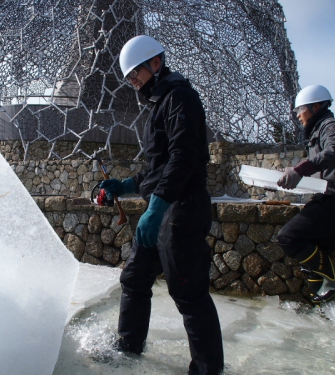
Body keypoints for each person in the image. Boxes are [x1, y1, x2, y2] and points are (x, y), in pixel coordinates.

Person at [99, 35, 223, 374]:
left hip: (181, 209)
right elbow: (158, 168)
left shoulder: (179, 97)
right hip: (166, 206)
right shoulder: (161, 101)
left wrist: (156, 208)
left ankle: (207, 369)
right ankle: (128, 349)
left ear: (156, 63)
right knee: (135, 279)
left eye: (135, 72)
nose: (132, 80)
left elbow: (182, 160)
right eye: (128, 77)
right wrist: (125, 184)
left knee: (188, 293)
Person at [277, 85, 335, 304]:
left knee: (288, 237)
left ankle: (334, 281)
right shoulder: (317, 132)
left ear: (316, 107)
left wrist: (299, 170)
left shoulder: (331, 126)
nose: (297, 116)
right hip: (327, 195)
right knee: (318, 248)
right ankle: (323, 302)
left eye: (300, 110)